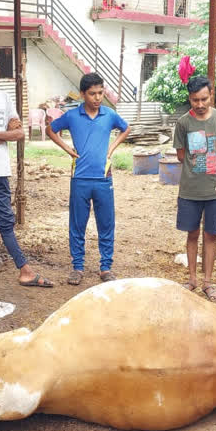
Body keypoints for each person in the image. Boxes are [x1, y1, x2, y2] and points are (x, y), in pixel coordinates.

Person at [0, 48, 53, 294]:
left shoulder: (4, 98)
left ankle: (24, 269)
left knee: (6, 222)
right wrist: (2, 136)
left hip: (0, 171)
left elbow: (19, 132)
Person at [46, 73, 130, 285]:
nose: (97, 98)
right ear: (83, 94)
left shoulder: (109, 115)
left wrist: (111, 148)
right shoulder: (72, 116)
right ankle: (77, 267)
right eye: (92, 94)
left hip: (103, 179)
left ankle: (106, 267)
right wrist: (67, 149)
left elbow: (126, 128)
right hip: (80, 179)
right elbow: (51, 129)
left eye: (100, 93)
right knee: (77, 223)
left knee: (106, 223)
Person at [172, 76, 216, 301]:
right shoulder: (183, 123)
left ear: (211, 95)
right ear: (189, 99)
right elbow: (181, 154)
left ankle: (208, 282)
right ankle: (192, 278)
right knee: (192, 233)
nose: (200, 104)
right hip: (190, 190)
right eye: (195, 100)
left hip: (215, 190)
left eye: (204, 99)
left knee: (211, 235)